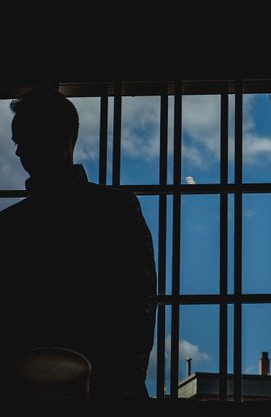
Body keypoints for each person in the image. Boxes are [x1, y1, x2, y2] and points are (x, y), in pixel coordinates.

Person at [0, 88, 157, 400]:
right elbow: (138, 306)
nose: (18, 152)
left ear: (60, 137)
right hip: (107, 390)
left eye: (23, 140)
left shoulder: (10, 226)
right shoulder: (116, 209)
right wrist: (120, 387)